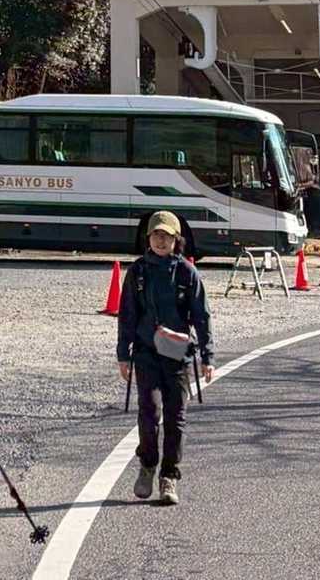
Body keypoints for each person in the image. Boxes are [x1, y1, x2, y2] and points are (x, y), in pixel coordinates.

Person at [116, 211, 214, 506]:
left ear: (176, 240)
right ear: (148, 238)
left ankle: (169, 475)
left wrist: (208, 356)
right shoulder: (138, 272)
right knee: (149, 412)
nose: (161, 241)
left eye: (167, 236)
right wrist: (123, 354)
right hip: (146, 353)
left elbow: (202, 316)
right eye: (156, 235)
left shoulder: (187, 273)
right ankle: (147, 464)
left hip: (178, 357)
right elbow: (127, 315)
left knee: (176, 418)